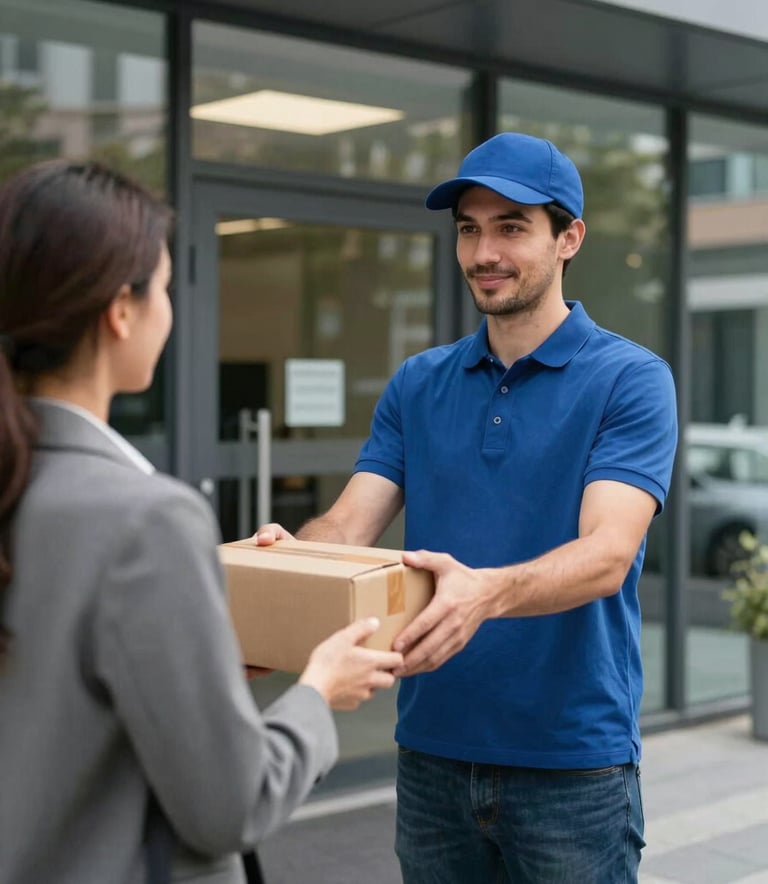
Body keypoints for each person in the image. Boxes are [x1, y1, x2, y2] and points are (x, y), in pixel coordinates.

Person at [255, 132, 679, 882]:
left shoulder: (630, 380)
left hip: (571, 765)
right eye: (469, 229)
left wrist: (484, 593)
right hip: (432, 755)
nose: (485, 251)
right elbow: (348, 527)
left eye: (512, 227)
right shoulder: (420, 382)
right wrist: (292, 557)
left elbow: (607, 556)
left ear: (568, 238)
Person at [0, 160, 403, 884]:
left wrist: (202, 617)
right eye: (162, 286)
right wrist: (319, 691)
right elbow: (231, 804)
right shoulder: (146, 521)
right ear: (120, 312)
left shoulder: (39, 491)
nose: (170, 310)